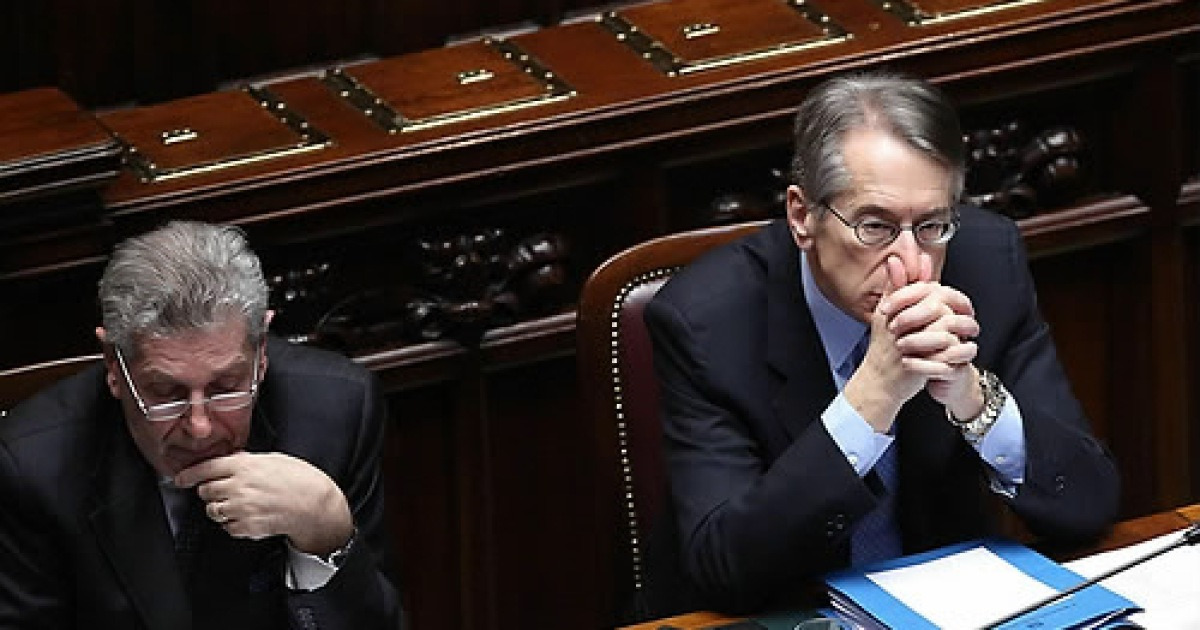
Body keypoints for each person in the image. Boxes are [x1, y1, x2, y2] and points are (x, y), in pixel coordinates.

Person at [643, 70, 1120, 615]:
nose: (910, 263)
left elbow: (1089, 503)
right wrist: (871, 399)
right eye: (875, 227)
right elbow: (724, 568)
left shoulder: (986, 264)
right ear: (802, 216)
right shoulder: (705, 321)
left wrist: (974, 401)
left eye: (932, 226)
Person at [0, 221, 405, 629]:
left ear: (261, 352)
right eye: (165, 392)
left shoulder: (336, 414)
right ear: (113, 366)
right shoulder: (33, 467)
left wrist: (326, 534)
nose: (200, 427)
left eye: (226, 387)